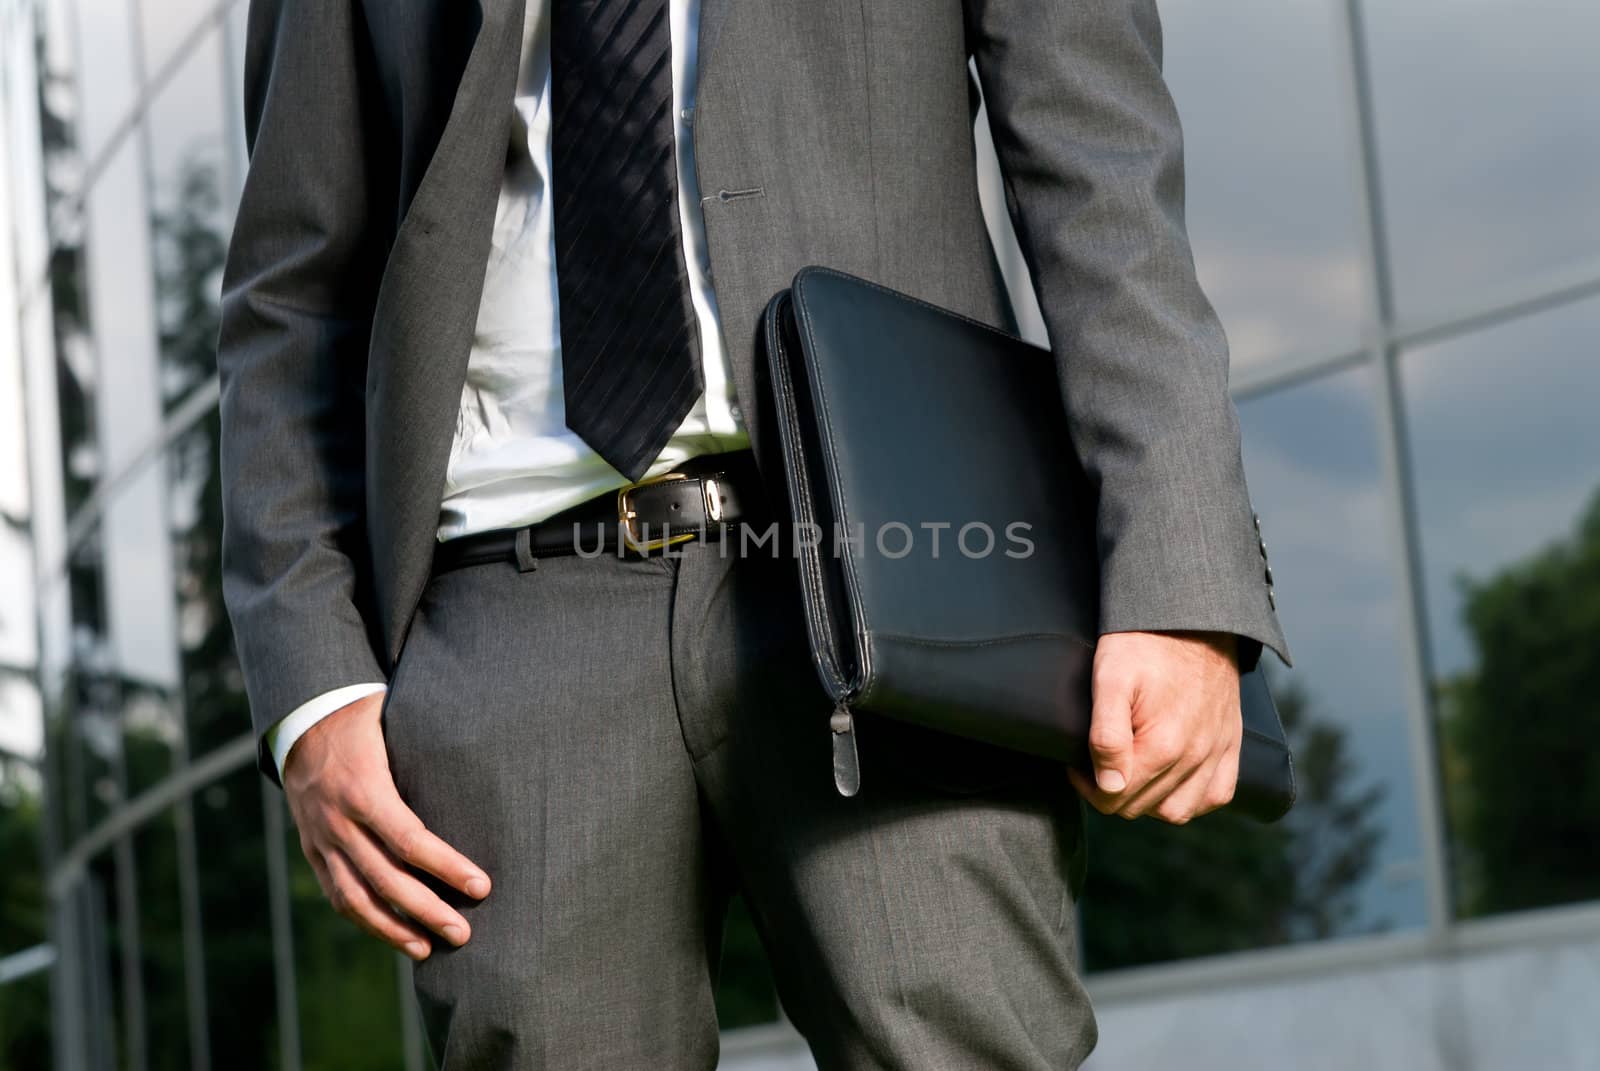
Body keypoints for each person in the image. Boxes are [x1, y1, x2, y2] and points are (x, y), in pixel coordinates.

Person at [216, 0, 1289, 1066]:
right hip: (509, 602)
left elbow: (1104, 177)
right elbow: (292, 294)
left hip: (901, 572)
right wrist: (313, 689)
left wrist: (1179, 582)